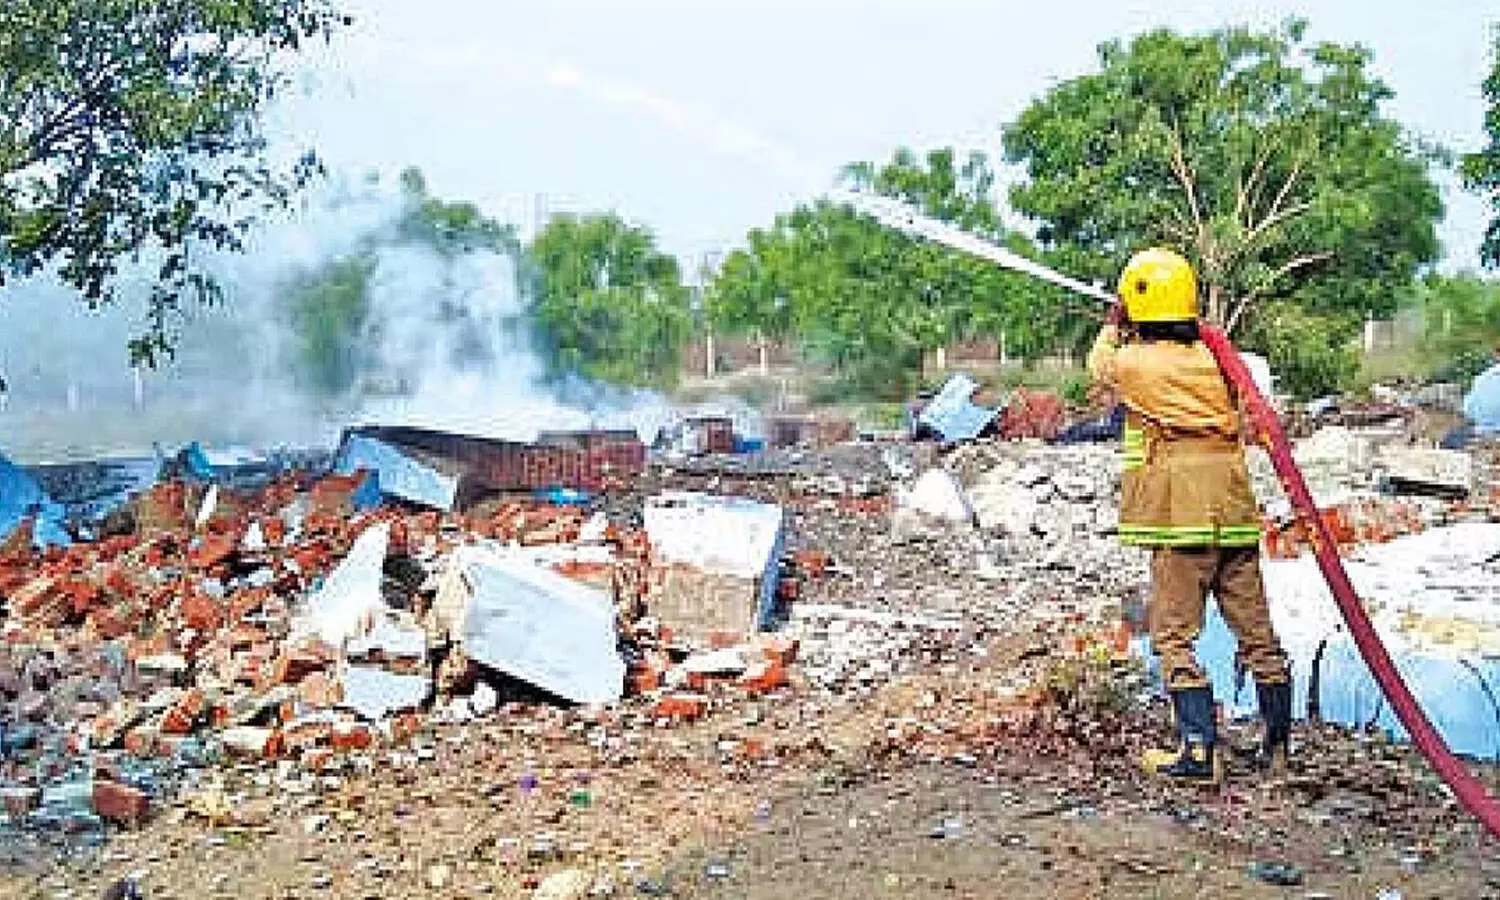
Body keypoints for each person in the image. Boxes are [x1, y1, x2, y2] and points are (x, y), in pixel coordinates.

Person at [1086, 247, 1292, 784]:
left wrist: (1113, 322)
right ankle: (1278, 751)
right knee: (1258, 635)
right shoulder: (1215, 357)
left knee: (1173, 635)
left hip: (1183, 519)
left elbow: (1099, 365)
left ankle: (1198, 753)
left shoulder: (1137, 362)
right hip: (1234, 512)